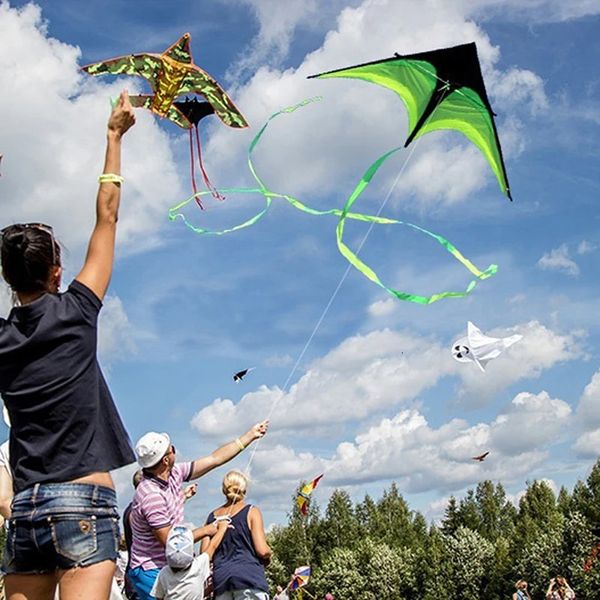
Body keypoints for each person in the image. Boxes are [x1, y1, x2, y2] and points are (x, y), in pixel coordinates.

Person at [0, 90, 136, 600]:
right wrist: (113, 135)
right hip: (84, 502)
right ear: (58, 271)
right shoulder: (79, 311)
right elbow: (108, 217)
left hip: (28, 507)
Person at [128, 421, 268, 600]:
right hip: (150, 568)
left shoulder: (174, 473)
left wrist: (249, 436)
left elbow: (213, 459)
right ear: (165, 460)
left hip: (169, 566)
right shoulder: (151, 496)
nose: (174, 451)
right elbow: (172, 542)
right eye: (173, 449)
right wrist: (208, 530)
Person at [203, 470, 271, 600]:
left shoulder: (212, 517)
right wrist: (269, 553)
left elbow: (205, 555)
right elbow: (262, 550)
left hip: (222, 582)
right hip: (249, 579)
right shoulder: (252, 511)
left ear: (224, 489)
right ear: (244, 489)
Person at [151, 522, 229, 600]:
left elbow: (159, 597)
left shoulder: (164, 573)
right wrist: (222, 528)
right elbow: (212, 546)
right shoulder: (198, 566)